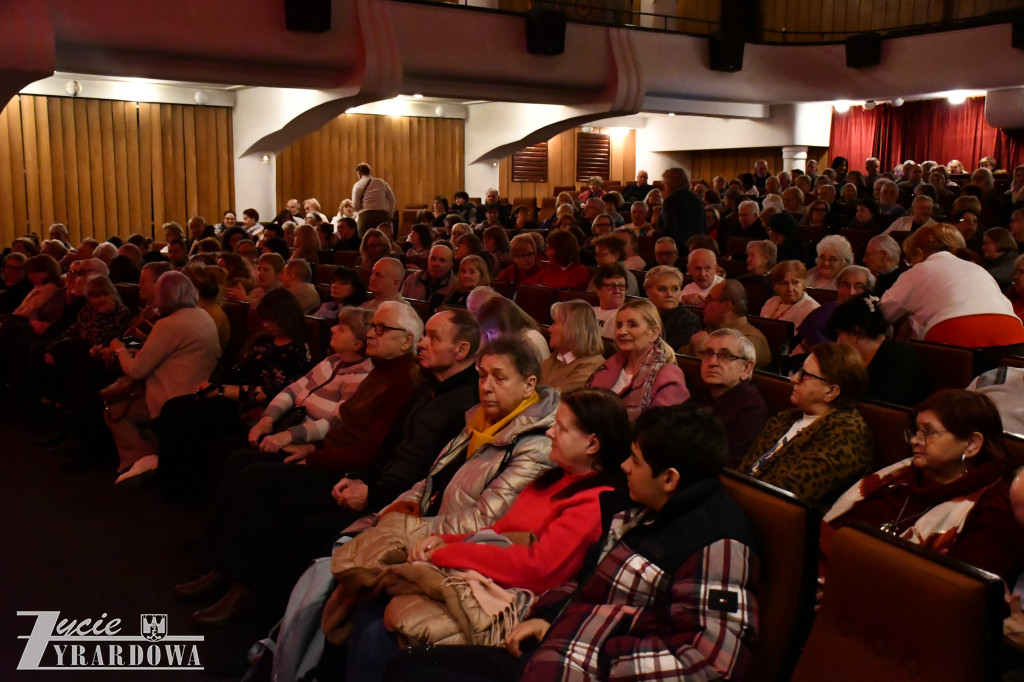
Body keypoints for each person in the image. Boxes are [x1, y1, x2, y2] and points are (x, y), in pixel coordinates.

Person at [384, 402, 761, 682]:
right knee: (408, 666)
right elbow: (589, 581)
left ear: (670, 479)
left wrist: (598, 654)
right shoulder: (640, 508)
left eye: (635, 460)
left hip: (580, 665)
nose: (625, 467)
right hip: (554, 649)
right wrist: (549, 615)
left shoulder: (717, 542)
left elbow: (711, 664)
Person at [823, 390, 1024, 584]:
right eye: (916, 431)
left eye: (928, 433)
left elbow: (958, 591)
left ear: (971, 444)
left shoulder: (995, 507)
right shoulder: (898, 477)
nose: (914, 441)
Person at [105, 271, 220, 486]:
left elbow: (136, 370)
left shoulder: (168, 324)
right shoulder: (203, 316)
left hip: (171, 401)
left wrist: (119, 349)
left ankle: (141, 461)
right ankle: (151, 457)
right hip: (196, 395)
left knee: (113, 411)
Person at [740, 343, 873, 509]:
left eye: (805, 375)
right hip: (744, 504)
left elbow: (790, 494)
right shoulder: (783, 418)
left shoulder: (847, 434)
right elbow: (744, 471)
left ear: (831, 392)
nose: (794, 378)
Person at [880, 223, 1024, 355]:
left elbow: (882, 315)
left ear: (918, 253)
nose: (910, 264)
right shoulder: (978, 269)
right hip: (1014, 336)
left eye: (910, 259)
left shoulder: (919, 270)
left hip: (955, 338)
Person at [588, 298, 689, 421]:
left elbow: (661, 431)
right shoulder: (609, 365)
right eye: (619, 325)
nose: (621, 332)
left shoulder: (668, 375)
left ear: (654, 333)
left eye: (633, 325)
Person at [829, 294, 930, 407]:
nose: (837, 342)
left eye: (839, 334)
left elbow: (878, 407)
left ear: (856, 332)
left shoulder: (898, 358)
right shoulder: (858, 359)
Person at [690, 328, 769, 465]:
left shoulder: (750, 408)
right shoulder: (704, 394)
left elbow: (727, 464)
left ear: (746, 368)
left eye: (725, 356)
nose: (712, 362)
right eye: (708, 353)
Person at [684, 279, 772, 369]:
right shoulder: (710, 330)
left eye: (709, 300)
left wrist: (701, 344)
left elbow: (721, 372)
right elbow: (678, 360)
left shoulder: (751, 339)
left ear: (726, 306)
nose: (703, 306)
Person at [796, 264, 875, 350]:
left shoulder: (873, 320)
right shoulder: (824, 312)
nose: (851, 292)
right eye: (846, 285)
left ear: (868, 292)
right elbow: (804, 345)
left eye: (859, 287)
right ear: (838, 288)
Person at [541, 299, 606, 394]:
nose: (549, 329)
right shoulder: (555, 358)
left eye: (555, 323)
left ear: (573, 328)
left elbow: (552, 402)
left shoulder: (592, 367)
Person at [474, 295, 549, 363]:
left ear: (506, 325)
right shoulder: (509, 341)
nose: (490, 338)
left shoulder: (530, 339)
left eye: (491, 332)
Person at [643, 265, 701, 351]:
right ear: (649, 292)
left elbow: (668, 353)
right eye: (662, 289)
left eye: (675, 289)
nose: (669, 294)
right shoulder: (641, 313)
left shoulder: (690, 321)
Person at [760, 260, 821, 328]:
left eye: (795, 282)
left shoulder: (813, 310)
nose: (790, 289)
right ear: (776, 286)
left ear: (803, 284)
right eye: (785, 283)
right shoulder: (770, 302)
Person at [521, 230, 590, 290]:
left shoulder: (580, 271)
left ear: (561, 250)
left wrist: (544, 289)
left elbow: (568, 295)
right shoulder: (550, 268)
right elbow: (527, 284)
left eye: (549, 249)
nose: (546, 253)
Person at [655, 167, 705, 245]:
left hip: (678, 248)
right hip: (696, 245)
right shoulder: (698, 199)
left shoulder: (670, 201)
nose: (664, 187)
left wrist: (654, 233)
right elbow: (703, 226)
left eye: (664, 183)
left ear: (669, 183)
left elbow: (670, 231)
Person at [400, 243, 457, 307]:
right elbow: (400, 304)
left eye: (442, 260)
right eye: (433, 259)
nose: (436, 264)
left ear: (451, 265)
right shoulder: (412, 278)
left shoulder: (456, 286)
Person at [352, 163, 397, 235]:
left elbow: (356, 206)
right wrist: (389, 213)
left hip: (366, 217)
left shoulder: (357, 185)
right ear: (369, 172)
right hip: (383, 216)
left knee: (364, 241)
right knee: (385, 241)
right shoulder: (381, 182)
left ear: (359, 173)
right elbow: (392, 200)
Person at [589, 263, 627, 339]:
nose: (617, 290)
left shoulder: (626, 316)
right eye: (611, 286)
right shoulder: (589, 312)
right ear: (598, 289)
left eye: (621, 286)